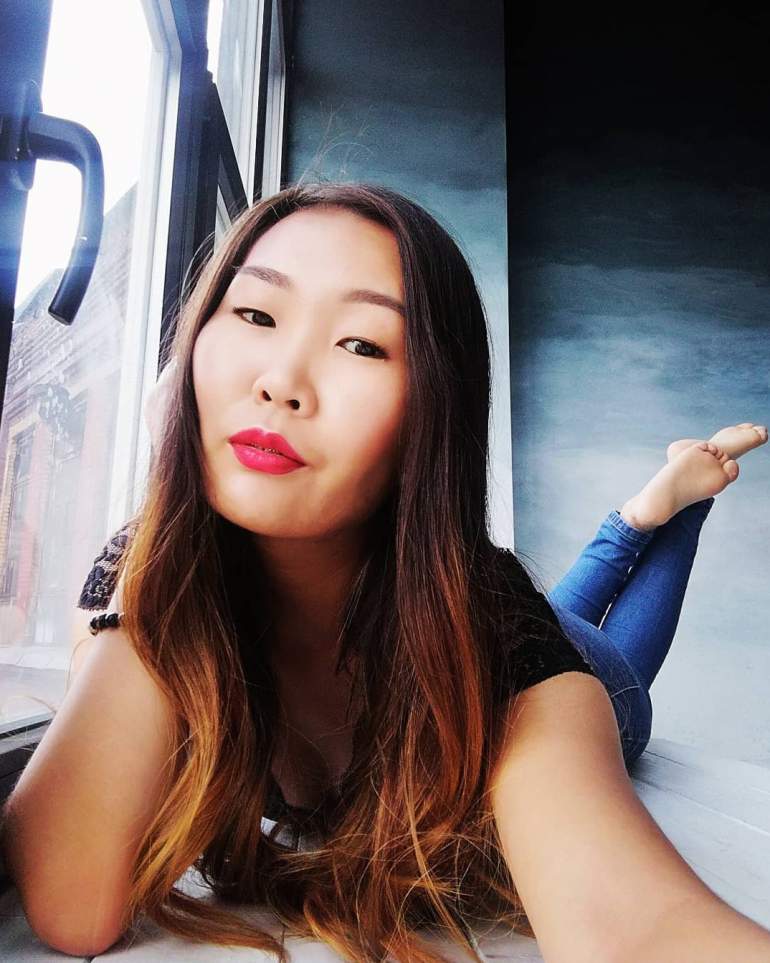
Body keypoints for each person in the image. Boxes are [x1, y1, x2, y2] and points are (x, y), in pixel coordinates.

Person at [5, 181, 769, 961]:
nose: (280, 381)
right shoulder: (129, 584)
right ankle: (643, 512)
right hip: (495, 611)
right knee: (552, 612)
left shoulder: (509, 653)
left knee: (614, 662)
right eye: (255, 315)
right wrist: (170, 504)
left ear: (433, 413)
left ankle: (675, 509)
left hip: (570, 665)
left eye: (362, 345)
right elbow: (73, 899)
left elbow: (635, 924)